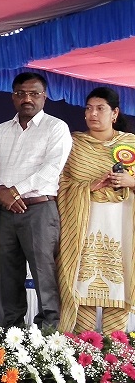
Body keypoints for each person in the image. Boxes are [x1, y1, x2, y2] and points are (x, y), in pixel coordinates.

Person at [0, 72, 72, 328]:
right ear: (13, 97)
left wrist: (14, 191)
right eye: (21, 93)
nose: (27, 99)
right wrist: (0, 190)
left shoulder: (56, 127)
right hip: (5, 211)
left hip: (39, 209)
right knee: (7, 274)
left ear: (44, 97)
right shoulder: (1, 130)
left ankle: (48, 335)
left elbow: (51, 169)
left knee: (44, 273)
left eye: (34, 93)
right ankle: (12, 333)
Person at [57, 86, 135, 333]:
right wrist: (87, 186)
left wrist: (131, 182)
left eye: (100, 108)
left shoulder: (131, 143)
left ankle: (116, 348)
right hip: (83, 223)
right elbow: (59, 182)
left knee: (119, 285)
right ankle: (83, 348)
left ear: (115, 113)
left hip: (122, 224)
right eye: (89, 108)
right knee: (82, 284)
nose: (92, 114)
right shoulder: (73, 144)